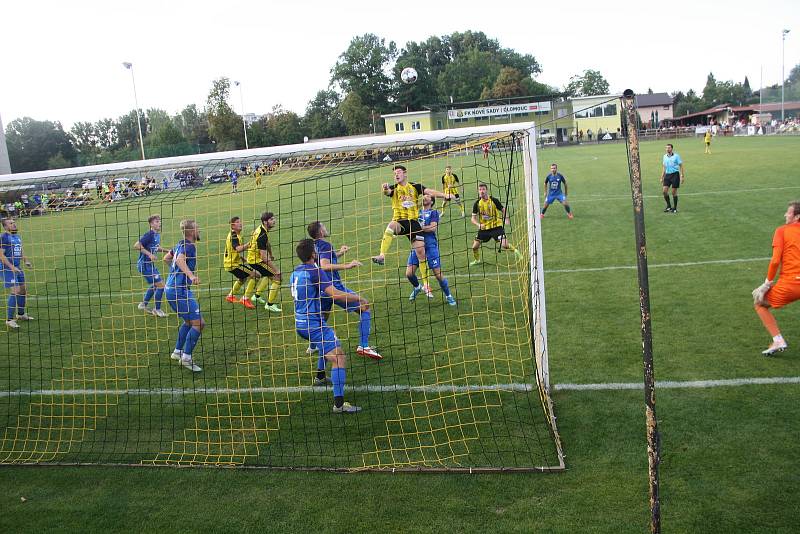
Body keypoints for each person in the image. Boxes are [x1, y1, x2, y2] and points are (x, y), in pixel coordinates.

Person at [291, 238, 366, 412]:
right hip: (314, 324)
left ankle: (320, 376)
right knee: (339, 357)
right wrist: (359, 298)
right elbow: (335, 295)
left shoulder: (295, 272)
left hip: (300, 323)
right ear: (313, 254)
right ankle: (339, 405)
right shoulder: (315, 272)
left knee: (329, 343)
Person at [308, 221, 382, 361]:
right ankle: (363, 346)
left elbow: (325, 259)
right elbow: (324, 265)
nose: (326, 227)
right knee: (364, 307)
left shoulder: (314, 246)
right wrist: (347, 266)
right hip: (334, 288)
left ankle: (313, 346)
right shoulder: (325, 244)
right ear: (320, 232)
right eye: (323, 226)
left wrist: (340, 253)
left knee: (322, 318)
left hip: (321, 289)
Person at [370, 165, 453, 267]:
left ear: (405, 173)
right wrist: (385, 188)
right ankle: (382, 256)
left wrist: (445, 195)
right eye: (394, 174)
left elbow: (429, 191)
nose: (396, 175)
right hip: (400, 222)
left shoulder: (415, 186)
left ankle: (425, 282)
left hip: (414, 223)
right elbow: (387, 192)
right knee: (391, 225)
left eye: (399, 172)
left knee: (420, 252)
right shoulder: (394, 188)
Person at [752, 201, 800, 355]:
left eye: (789, 212)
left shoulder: (782, 231)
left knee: (760, 303)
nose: (785, 215)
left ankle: (778, 340)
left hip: (792, 283)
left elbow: (775, 261)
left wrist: (766, 284)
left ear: (797, 217)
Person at [164, 219, 204, 372]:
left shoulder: (179, 244)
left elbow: (167, 258)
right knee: (199, 324)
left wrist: (177, 272)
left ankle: (177, 352)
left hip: (170, 288)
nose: (199, 230)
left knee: (189, 322)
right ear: (192, 231)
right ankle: (186, 358)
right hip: (179, 290)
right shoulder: (190, 246)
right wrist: (190, 275)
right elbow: (180, 259)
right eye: (197, 228)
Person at [406, 195, 456, 306]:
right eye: (423, 196)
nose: (424, 197)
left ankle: (448, 295)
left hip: (430, 246)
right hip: (417, 245)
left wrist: (418, 227)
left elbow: (433, 228)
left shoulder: (433, 213)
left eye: (427, 196)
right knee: (409, 274)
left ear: (431, 201)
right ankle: (418, 287)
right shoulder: (417, 211)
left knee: (438, 275)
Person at [470, 183, 522, 266]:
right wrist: (478, 225)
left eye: (483, 189)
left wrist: (506, 219)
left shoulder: (494, 200)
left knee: (504, 245)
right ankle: (477, 260)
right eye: (480, 190)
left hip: (496, 227)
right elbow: (472, 219)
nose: (482, 191)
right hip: (484, 229)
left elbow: (503, 209)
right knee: (474, 247)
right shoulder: (477, 203)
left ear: (487, 190)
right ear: (478, 191)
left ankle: (517, 252)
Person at [244, 212, 282, 312]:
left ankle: (256, 296)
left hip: (253, 258)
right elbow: (264, 257)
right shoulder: (262, 234)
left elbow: (267, 244)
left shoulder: (262, 229)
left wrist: (271, 254)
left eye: (274, 219)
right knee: (277, 278)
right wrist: (276, 270)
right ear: (265, 222)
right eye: (271, 219)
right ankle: (269, 305)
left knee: (267, 275)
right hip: (256, 261)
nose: (274, 221)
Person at [133, 215, 169, 317]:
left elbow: (155, 248)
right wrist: (149, 254)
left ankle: (143, 304)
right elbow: (136, 245)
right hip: (145, 265)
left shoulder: (156, 235)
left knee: (155, 285)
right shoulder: (149, 234)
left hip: (149, 265)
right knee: (161, 285)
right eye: (157, 222)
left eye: (159, 221)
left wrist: (168, 251)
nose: (159, 223)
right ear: (151, 224)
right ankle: (157, 310)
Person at [0, 218, 33, 329]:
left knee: (23, 290)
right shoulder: (4, 237)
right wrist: (11, 266)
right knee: (15, 291)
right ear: (5, 227)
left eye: (14, 222)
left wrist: (26, 261)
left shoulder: (17, 236)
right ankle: (9, 320)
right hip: (7, 268)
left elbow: (20, 250)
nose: (14, 224)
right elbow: (1, 255)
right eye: (11, 223)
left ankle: (21, 314)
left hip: (17, 267)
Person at [224, 216, 260, 309]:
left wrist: (242, 258)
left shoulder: (236, 235)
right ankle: (245, 298)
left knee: (242, 278)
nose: (240, 223)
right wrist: (249, 244)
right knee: (256, 275)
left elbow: (232, 250)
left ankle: (230, 296)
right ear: (232, 226)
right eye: (237, 222)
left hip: (230, 263)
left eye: (240, 221)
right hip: (233, 264)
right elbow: (238, 249)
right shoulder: (234, 235)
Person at [660, 143, 684, 213]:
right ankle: (669, 206)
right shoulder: (664, 156)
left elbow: (681, 166)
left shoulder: (676, 156)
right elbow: (664, 167)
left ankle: (675, 208)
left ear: (672, 149)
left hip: (675, 175)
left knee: (673, 192)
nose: (667, 149)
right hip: (667, 175)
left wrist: (682, 176)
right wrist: (662, 177)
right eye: (666, 148)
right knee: (664, 191)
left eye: (669, 148)